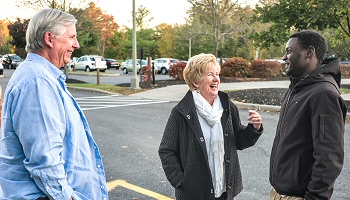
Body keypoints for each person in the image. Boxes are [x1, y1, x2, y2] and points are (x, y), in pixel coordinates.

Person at [0, 9, 108, 200]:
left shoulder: (40, 77)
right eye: (71, 37)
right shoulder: (37, 82)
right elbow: (45, 161)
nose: (77, 44)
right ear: (49, 38)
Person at [158, 53, 263, 200]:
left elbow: (238, 141)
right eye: (210, 74)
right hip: (193, 193)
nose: (216, 79)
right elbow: (166, 150)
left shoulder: (227, 106)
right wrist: (180, 181)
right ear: (195, 81)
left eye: (217, 74)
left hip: (224, 191)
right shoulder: (181, 112)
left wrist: (254, 128)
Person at [269, 30, 347, 200]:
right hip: (280, 193)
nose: (284, 57)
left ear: (309, 52)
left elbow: (329, 157)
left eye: (289, 51)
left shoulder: (323, 94)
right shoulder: (297, 87)